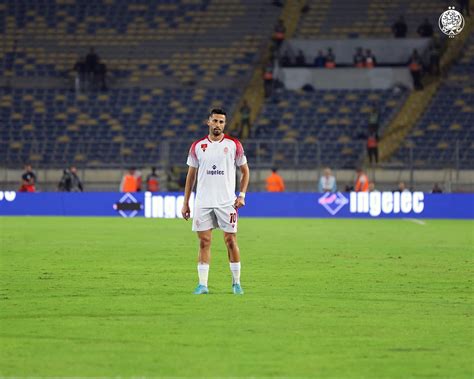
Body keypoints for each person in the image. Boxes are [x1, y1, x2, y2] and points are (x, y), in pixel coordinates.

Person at [181, 109, 250, 295]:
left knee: (230, 240)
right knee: (204, 242)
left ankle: (236, 283)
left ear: (224, 124)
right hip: (203, 202)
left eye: (221, 122)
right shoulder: (197, 146)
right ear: (208, 122)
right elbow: (190, 177)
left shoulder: (234, 144)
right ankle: (202, 284)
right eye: (215, 121)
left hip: (227, 203)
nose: (218, 124)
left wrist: (241, 195)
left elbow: (245, 171)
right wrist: (186, 202)